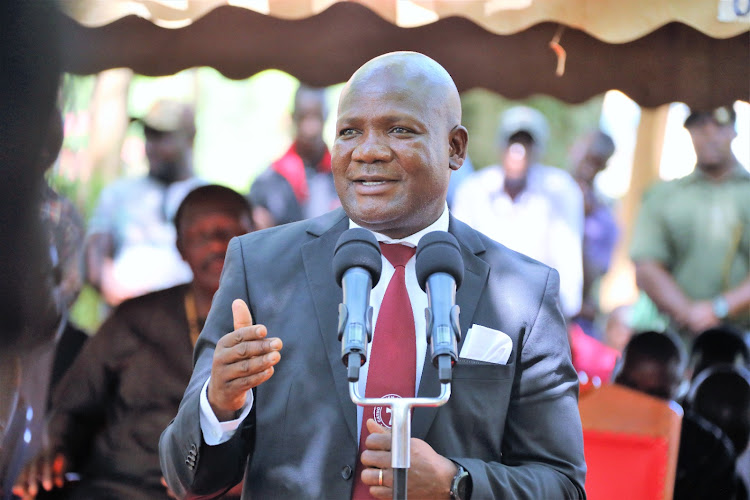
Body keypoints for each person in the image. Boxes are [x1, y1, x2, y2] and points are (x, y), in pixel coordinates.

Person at [159, 51, 585, 500]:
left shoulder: (524, 293)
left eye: (399, 129)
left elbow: (561, 484)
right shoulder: (260, 265)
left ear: (455, 148)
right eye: (349, 132)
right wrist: (218, 405)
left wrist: (457, 484)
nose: (368, 151)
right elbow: (187, 478)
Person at [14, 185, 254, 499]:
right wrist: (52, 452)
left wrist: (233, 484)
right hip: (115, 487)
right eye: (199, 236)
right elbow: (72, 408)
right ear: (180, 248)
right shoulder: (134, 317)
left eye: (226, 232)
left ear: (255, 235)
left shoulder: (284, 322)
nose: (215, 246)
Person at [630, 104, 750, 344]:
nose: (710, 135)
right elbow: (646, 266)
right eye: (700, 127)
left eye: (718, 126)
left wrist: (720, 308)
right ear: (689, 133)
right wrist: (690, 313)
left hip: (743, 336)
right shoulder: (664, 196)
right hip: (680, 337)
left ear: (734, 130)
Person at [452, 106, 584, 319]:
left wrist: (564, 312)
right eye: (513, 142)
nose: (518, 152)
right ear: (501, 146)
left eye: (526, 143)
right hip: (480, 304)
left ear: (537, 150)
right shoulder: (475, 189)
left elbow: (568, 255)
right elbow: (460, 252)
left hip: (538, 309)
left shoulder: (559, 190)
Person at [85, 99, 204, 307]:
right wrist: (115, 291)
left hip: (190, 324)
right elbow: (95, 253)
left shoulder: (210, 198)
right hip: (126, 321)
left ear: (189, 138)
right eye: (148, 136)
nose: (151, 147)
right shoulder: (117, 193)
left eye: (162, 137)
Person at [249, 84, 341, 227]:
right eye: (303, 117)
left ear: (326, 115)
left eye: (316, 117)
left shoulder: (342, 175)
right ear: (293, 118)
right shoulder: (269, 181)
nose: (309, 129)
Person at [570, 130, 618, 338]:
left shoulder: (604, 219)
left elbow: (591, 280)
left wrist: (578, 221)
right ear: (573, 150)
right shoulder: (541, 192)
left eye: (596, 162)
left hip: (575, 323)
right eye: (586, 158)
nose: (588, 168)